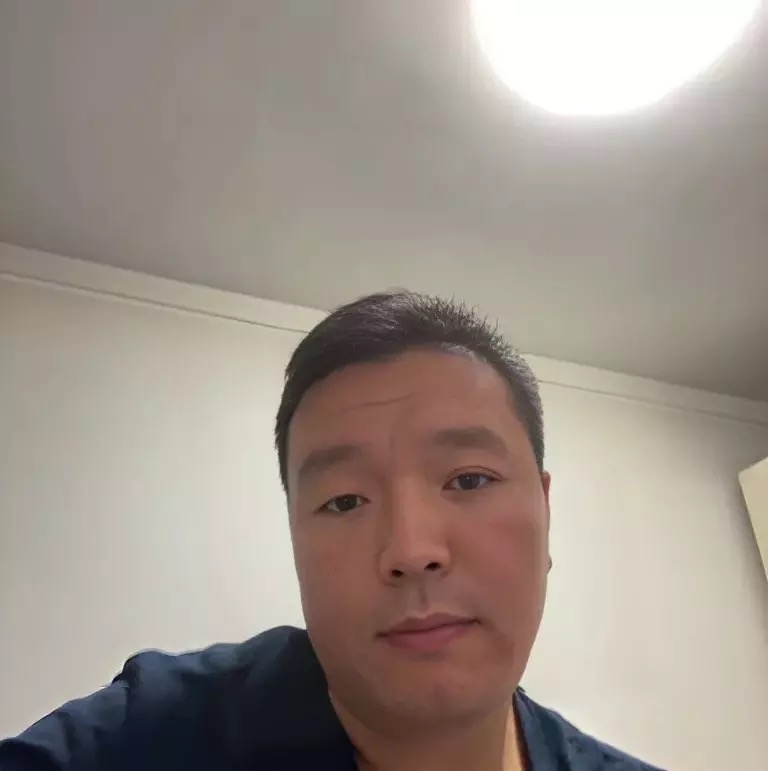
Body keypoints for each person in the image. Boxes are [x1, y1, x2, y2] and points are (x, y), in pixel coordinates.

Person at [0, 291, 663, 771]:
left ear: (545, 512)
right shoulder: (153, 732)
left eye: (468, 479)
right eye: (345, 501)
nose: (412, 551)